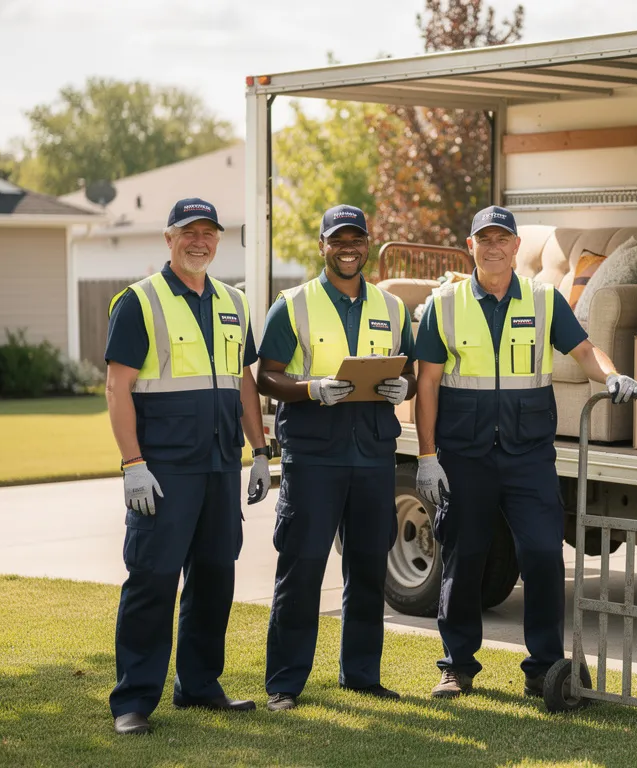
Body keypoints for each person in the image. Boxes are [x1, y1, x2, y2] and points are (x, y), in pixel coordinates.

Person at [413, 205, 637, 699]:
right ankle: (457, 666)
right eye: (484, 239)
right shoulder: (444, 305)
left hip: (527, 454)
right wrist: (427, 456)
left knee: (541, 554)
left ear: (516, 247)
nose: (493, 247)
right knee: (464, 558)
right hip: (465, 455)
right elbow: (427, 383)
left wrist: (612, 374)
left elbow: (585, 351)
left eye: (503, 239)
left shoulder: (544, 301)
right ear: (470, 246)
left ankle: (544, 668)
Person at [103, 197, 273, 736]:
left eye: (209, 232)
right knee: (153, 579)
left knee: (215, 578)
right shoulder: (138, 301)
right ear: (168, 237)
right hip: (165, 470)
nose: (200, 241)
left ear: (218, 240)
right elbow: (118, 386)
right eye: (189, 232)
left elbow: (243, 380)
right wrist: (132, 463)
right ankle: (132, 700)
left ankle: (199, 684)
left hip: (221, 467)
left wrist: (261, 451)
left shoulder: (233, 302)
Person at [255, 204, 416, 711]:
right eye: (338, 240)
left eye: (357, 240)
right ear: (322, 246)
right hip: (314, 457)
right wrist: (312, 388)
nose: (349, 248)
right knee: (301, 568)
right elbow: (266, 376)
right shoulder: (293, 304)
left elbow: (409, 371)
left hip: (372, 455)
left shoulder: (392, 308)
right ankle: (284, 683)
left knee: (369, 568)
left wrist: (400, 387)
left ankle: (362, 675)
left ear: (368, 244)